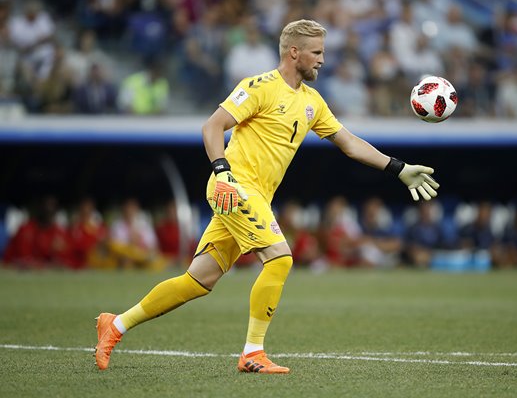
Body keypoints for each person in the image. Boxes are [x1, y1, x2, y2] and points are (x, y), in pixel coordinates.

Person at [94, 19, 439, 374]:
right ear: (295, 52)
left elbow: (349, 143)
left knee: (198, 280)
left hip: (256, 195)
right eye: (317, 52)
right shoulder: (259, 87)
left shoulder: (311, 102)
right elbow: (212, 126)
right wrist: (221, 171)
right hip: (233, 186)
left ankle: (115, 325)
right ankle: (252, 352)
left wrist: (398, 168)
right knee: (280, 257)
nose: (322, 60)